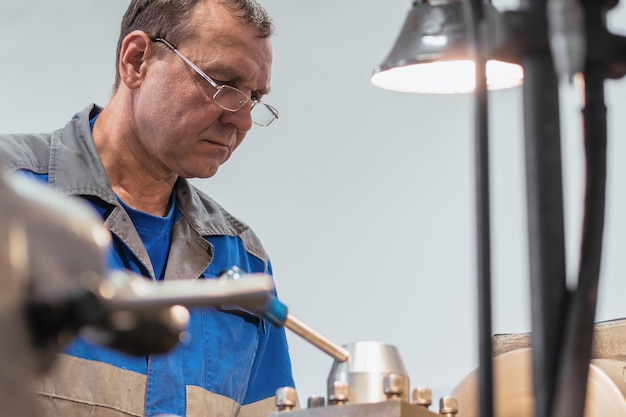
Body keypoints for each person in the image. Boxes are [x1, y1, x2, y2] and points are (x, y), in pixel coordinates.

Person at [0, 0, 295, 416]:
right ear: (136, 60)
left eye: (254, 97)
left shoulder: (243, 260)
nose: (242, 121)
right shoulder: (11, 198)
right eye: (224, 84)